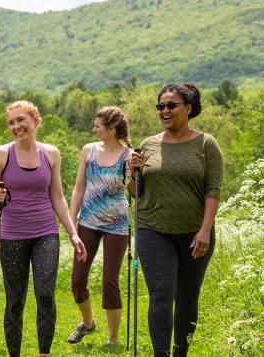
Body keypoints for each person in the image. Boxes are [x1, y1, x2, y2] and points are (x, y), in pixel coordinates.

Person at [0, 101, 87, 357]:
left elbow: (58, 197)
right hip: (12, 236)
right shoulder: (1, 153)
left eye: (21, 120)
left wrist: (72, 233)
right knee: (15, 299)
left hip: (45, 234)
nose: (16, 126)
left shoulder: (50, 153)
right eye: (11, 122)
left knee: (45, 293)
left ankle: (44, 353)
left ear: (35, 120)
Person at [127, 84, 223, 357]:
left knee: (188, 295)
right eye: (160, 106)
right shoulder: (148, 144)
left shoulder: (206, 144)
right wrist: (132, 173)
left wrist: (205, 230)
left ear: (188, 108)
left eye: (171, 105)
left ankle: (181, 351)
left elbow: (213, 190)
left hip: (195, 232)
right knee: (160, 295)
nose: (164, 111)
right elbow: (134, 192)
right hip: (153, 229)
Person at [67, 106, 132, 346]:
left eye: (98, 126)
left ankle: (113, 340)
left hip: (117, 224)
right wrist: (71, 222)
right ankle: (87, 324)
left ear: (111, 129)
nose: (94, 129)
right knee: (77, 280)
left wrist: (135, 172)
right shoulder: (89, 150)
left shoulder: (129, 155)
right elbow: (78, 188)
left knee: (109, 281)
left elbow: (134, 190)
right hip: (88, 222)